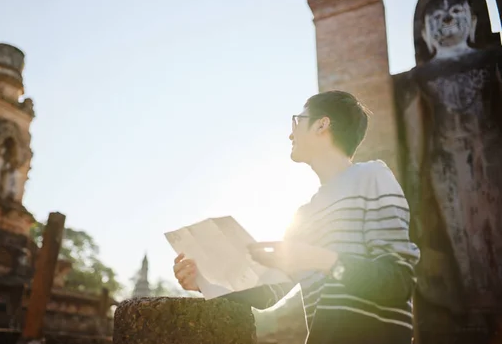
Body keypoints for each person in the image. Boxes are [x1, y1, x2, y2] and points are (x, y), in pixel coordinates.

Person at [173, 90, 420, 344]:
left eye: (297, 121)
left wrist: (318, 258)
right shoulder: (304, 216)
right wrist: (203, 280)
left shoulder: (372, 176)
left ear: (322, 124)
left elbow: (398, 281)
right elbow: (267, 294)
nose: (291, 134)